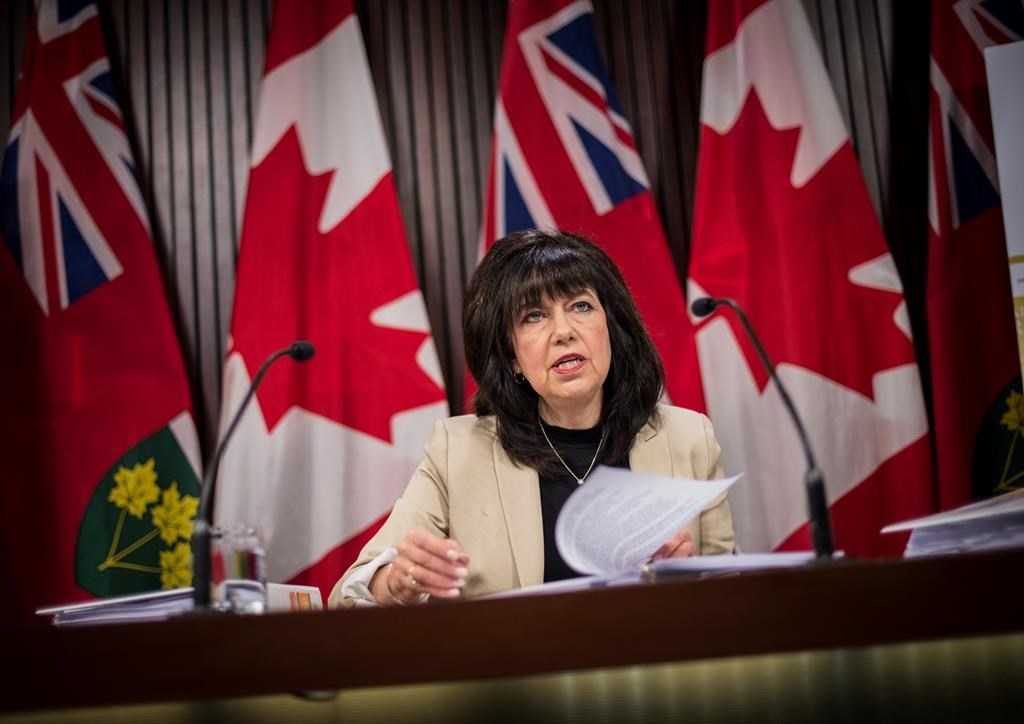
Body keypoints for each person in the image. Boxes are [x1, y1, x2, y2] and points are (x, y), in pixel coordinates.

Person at [328, 229, 734, 607]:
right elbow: (349, 595)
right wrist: (400, 580)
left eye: (580, 306)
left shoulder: (687, 439)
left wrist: (689, 586)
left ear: (611, 328)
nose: (564, 331)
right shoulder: (458, 453)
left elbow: (735, 600)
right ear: (512, 359)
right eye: (534, 316)